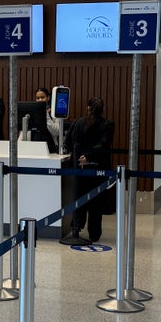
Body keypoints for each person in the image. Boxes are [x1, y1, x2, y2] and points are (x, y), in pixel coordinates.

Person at [63, 96, 114, 242]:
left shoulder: (77, 122)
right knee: (95, 201)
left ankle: (77, 227)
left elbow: (67, 142)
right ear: (103, 109)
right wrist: (89, 156)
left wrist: (80, 156)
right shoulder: (108, 124)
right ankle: (94, 233)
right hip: (97, 167)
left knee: (79, 197)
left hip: (78, 166)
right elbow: (104, 144)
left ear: (88, 108)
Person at [35, 86, 62, 153]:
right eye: (38, 98)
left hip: (51, 148)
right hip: (34, 147)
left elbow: (56, 132)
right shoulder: (33, 111)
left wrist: (46, 115)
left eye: (42, 97)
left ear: (48, 98)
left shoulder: (54, 113)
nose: (40, 100)